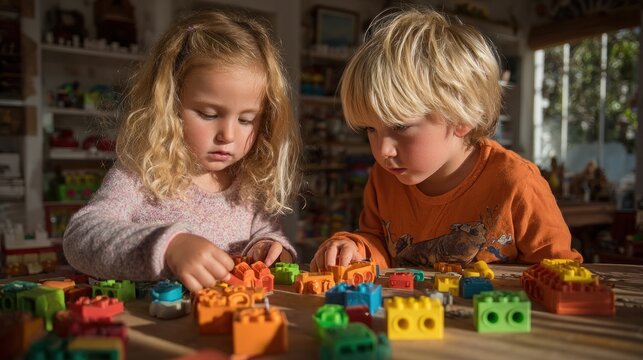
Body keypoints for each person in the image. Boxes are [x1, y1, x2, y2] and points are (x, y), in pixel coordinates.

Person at [310, 7, 582, 271]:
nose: (383, 151)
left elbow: (561, 272)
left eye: (400, 126)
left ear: (461, 119)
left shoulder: (516, 183)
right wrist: (356, 247)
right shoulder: (384, 178)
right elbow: (379, 242)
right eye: (370, 129)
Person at [63, 10, 301, 292]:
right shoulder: (141, 173)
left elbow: (266, 233)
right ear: (169, 106)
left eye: (246, 119)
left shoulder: (250, 181)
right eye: (209, 114)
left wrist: (271, 247)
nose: (228, 135)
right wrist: (168, 247)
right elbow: (80, 237)